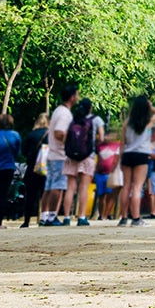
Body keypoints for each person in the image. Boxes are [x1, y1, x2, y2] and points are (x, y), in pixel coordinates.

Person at [41, 83, 79, 225]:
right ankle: (52, 216)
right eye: (76, 94)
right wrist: (70, 142)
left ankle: (44, 216)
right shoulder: (64, 114)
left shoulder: (58, 111)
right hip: (60, 155)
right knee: (57, 186)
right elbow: (59, 132)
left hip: (53, 154)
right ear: (72, 97)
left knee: (49, 186)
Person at [61, 96, 103, 225]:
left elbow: (65, 138)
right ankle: (82, 217)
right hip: (87, 156)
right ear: (90, 107)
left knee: (70, 188)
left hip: (71, 157)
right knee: (84, 187)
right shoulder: (96, 120)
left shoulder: (73, 120)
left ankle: (67, 217)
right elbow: (101, 137)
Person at [119, 96, 155, 225]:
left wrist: (120, 158)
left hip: (127, 155)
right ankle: (136, 218)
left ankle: (123, 217)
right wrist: (150, 106)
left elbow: (122, 143)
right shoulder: (147, 121)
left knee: (126, 187)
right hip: (141, 155)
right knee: (137, 187)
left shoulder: (127, 122)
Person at [94, 126, 121, 221]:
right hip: (100, 173)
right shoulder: (99, 146)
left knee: (111, 195)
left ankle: (107, 213)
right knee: (101, 195)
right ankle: (101, 215)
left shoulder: (118, 145)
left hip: (112, 174)